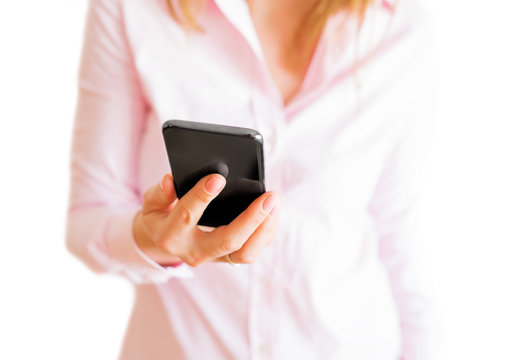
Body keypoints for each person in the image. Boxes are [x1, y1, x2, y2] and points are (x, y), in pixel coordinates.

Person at [66, 0, 438, 358]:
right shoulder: (133, 7)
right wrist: (154, 242)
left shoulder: (396, 24)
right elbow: (90, 215)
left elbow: (398, 238)